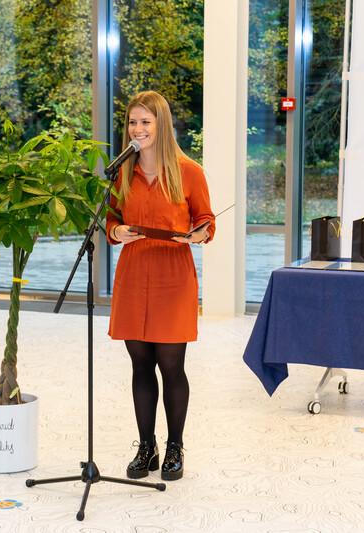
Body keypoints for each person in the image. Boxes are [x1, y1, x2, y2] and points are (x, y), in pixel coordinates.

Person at [106, 90, 215, 481]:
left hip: (173, 275)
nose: (137, 129)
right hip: (134, 273)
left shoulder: (189, 172)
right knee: (140, 364)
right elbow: (110, 219)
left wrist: (199, 234)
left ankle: (174, 447)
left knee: (171, 365)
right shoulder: (122, 171)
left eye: (145, 122)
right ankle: (146, 446)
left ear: (162, 125)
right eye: (133, 122)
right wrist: (116, 231)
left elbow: (206, 220)